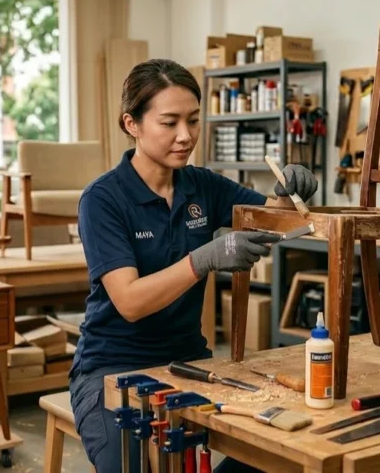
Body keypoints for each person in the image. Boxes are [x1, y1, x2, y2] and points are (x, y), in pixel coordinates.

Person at [69, 59, 319, 472]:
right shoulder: (102, 199)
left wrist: (290, 191)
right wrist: (202, 260)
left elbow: (277, 215)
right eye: (169, 122)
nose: (186, 136)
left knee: (280, 447)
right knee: (128, 465)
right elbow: (129, 301)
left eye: (193, 120)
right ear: (132, 124)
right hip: (112, 364)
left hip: (190, 359)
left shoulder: (202, 184)